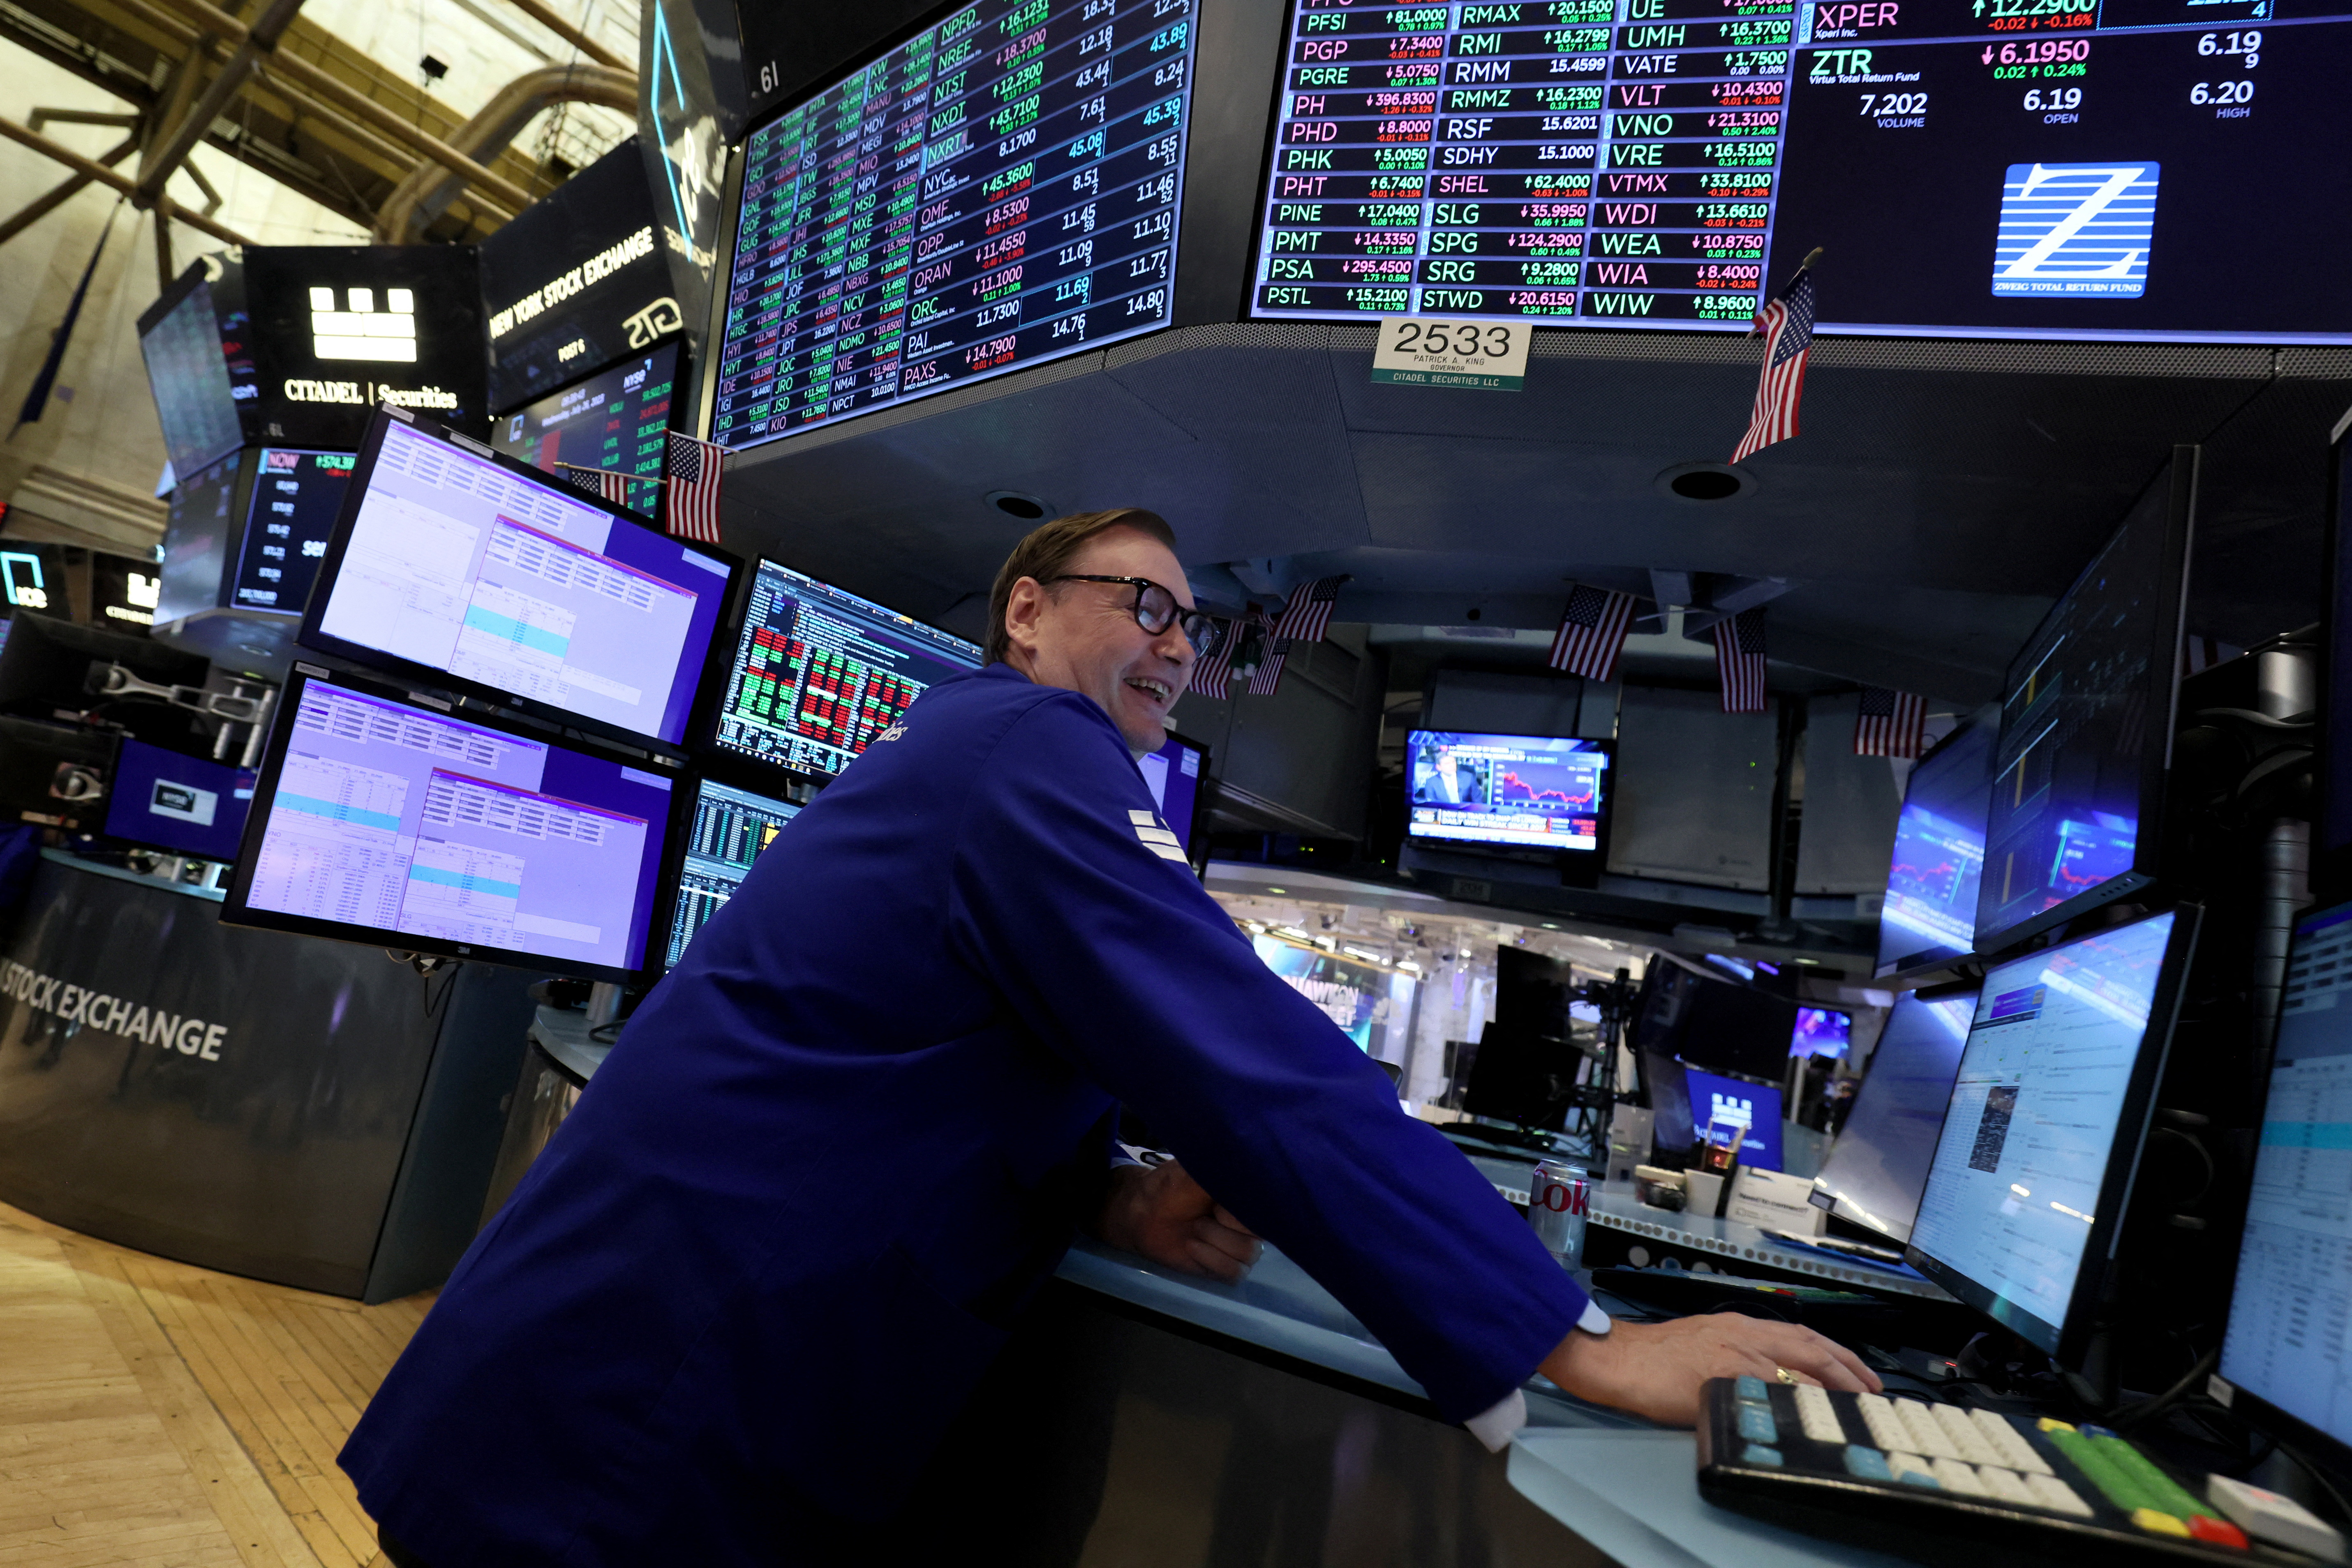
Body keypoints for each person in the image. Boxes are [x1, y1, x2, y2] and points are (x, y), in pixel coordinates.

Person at [342, 509, 1874, 1568]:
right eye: (1138, 603)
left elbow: (949, 1062)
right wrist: (1570, 1339)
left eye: (1191, 628)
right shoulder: (1029, 745)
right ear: (1026, 611)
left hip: (646, 1378)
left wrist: (1112, 1196)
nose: (1172, 646)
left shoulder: (981, 759)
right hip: (642, 1408)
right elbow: (1237, 1043)